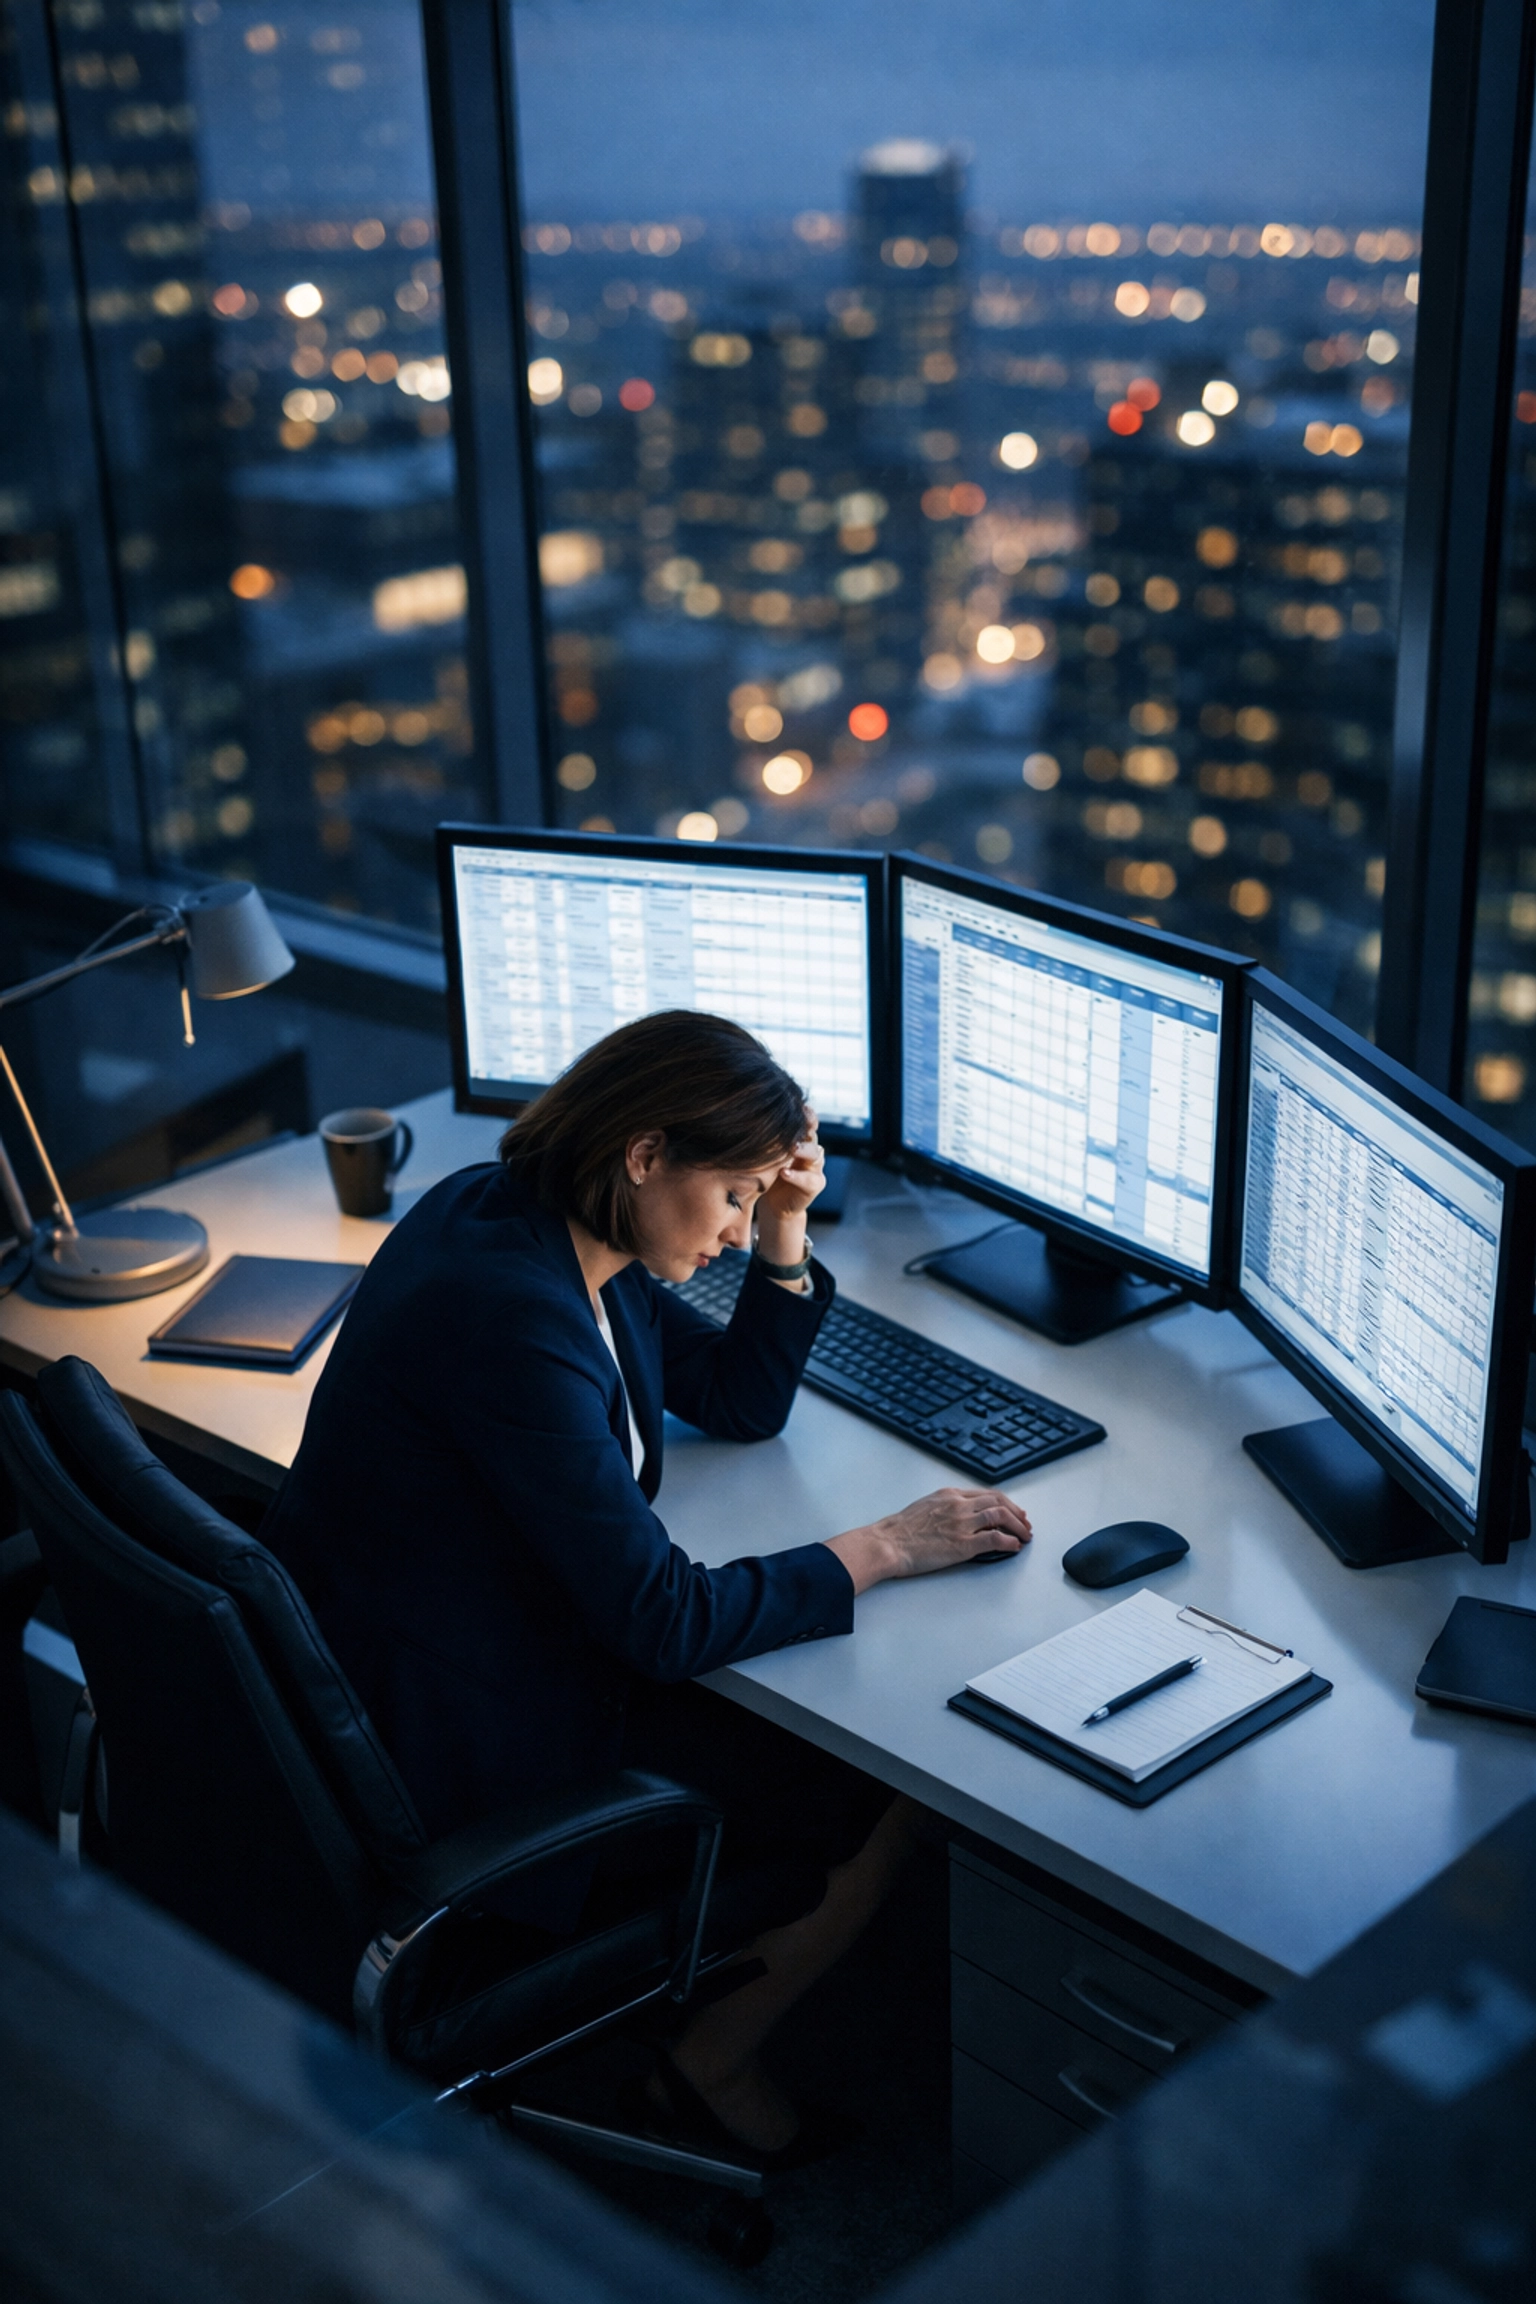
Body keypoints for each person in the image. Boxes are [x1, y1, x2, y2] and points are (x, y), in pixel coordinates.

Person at [263, 1010, 1032, 2157]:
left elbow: (735, 1400)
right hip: (467, 1747)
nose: (730, 1233)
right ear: (644, 1155)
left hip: (456, 1656)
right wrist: (888, 1547)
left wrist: (784, 1232)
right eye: (731, 1198)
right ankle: (709, 2062)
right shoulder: (512, 1315)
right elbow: (662, 1621)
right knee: (888, 1773)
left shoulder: (547, 1230)